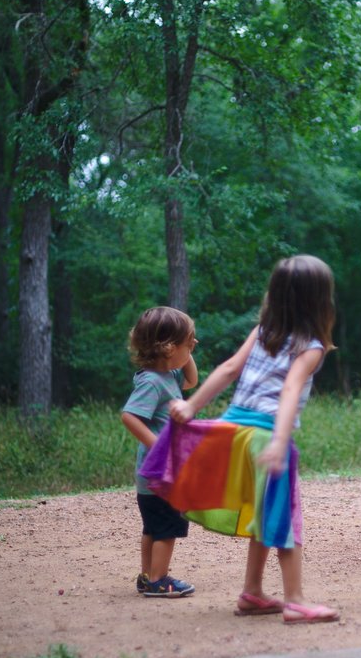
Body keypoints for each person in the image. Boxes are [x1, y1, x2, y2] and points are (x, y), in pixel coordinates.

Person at [140, 255, 340, 624]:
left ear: (275, 296)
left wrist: (191, 405)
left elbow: (229, 367)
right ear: (320, 300)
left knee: (265, 515)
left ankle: (252, 592)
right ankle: (295, 600)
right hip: (266, 435)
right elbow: (291, 389)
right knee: (283, 518)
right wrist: (281, 440)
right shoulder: (311, 346)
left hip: (233, 432)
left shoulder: (264, 329)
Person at [121, 306, 199, 598]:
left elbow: (192, 381)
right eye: (188, 341)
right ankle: (159, 580)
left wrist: (186, 349)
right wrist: (159, 446)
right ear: (168, 348)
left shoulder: (168, 375)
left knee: (152, 528)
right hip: (159, 472)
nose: (193, 345)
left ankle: (147, 576)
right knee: (166, 527)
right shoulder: (152, 381)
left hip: (155, 475)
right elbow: (129, 416)